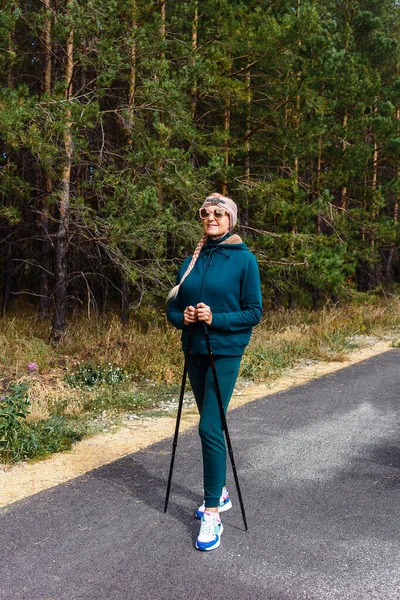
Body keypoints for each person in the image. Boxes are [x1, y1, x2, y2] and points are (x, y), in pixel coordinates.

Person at [166, 192, 262, 551]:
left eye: (219, 213)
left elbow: (254, 312)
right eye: (206, 213)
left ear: (230, 220)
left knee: (209, 426)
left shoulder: (244, 260)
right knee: (210, 425)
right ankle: (219, 492)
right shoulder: (193, 259)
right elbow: (172, 308)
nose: (211, 218)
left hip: (224, 351)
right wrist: (185, 317)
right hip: (194, 349)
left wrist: (215, 318)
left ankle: (212, 514)